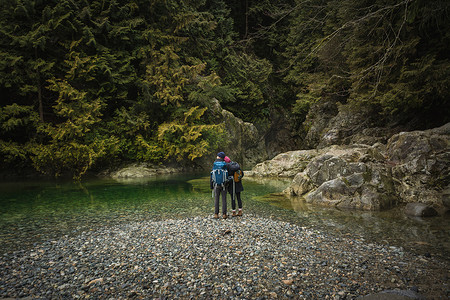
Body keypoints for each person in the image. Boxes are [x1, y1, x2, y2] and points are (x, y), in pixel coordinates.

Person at [210, 152, 228, 219]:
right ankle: (224, 214)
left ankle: (216, 214)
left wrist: (211, 185)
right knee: (224, 199)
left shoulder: (214, 164)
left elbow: (211, 175)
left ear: (218, 157)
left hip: (216, 184)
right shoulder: (224, 164)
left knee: (216, 199)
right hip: (224, 185)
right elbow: (227, 174)